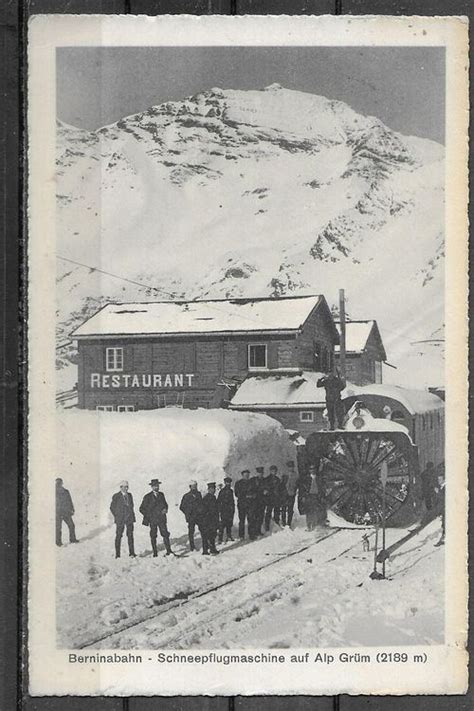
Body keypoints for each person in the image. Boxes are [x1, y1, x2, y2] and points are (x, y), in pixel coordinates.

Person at [139, 479, 172, 557]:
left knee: (165, 534)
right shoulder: (147, 497)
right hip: (153, 520)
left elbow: (165, 504)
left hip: (162, 519)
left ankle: (169, 551)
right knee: (153, 535)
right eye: (154, 486)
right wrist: (149, 516)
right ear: (151, 487)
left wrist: (165, 509)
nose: (156, 487)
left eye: (157, 485)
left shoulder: (161, 495)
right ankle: (155, 552)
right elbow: (141, 509)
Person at [110, 480, 136, 558]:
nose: (125, 488)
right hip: (120, 519)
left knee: (130, 535)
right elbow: (112, 507)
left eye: (127, 487)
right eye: (123, 487)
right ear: (120, 487)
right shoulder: (116, 496)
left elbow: (131, 506)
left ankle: (132, 553)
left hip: (129, 519)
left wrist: (130, 515)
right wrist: (117, 516)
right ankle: (117, 555)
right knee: (119, 536)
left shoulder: (130, 495)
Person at [298, 463, 327, 531]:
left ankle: (314, 525)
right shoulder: (306, 479)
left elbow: (322, 488)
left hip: (316, 496)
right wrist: (303, 497)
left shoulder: (318, 478)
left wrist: (322, 496)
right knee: (309, 512)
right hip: (309, 496)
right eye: (311, 469)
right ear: (309, 470)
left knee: (316, 511)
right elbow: (302, 488)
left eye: (313, 469)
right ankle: (309, 526)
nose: (312, 470)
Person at [179, 480, 204, 552]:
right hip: (191, 517)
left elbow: (201, 503)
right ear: (190, 487)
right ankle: (192, 546)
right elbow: (182, 507)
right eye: (193, 486)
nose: (195, 488)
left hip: (199, 516)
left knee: (202, 530)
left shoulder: (199, 494)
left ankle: (205, 544)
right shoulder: (186, 496)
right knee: (191, 532)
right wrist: (188, 513)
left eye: (196, 486)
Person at [55, 477, 78, 546]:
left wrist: (72, 508)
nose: (59, 484)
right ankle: (58, 542)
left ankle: (72, 539)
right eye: (57, 483)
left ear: (62, 483)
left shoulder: (66, 491)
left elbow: (69, 500)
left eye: (60, 482)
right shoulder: (53, 493)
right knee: (58, 528)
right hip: (57, 513)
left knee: (71, 525)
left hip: (66, 512)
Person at [201, 482, 220, 555]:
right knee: (207, 535)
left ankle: (212, 549)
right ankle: (205, 551)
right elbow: (204, 510)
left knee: (212, 535)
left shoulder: (213, 497)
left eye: (214, 488)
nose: (213, 490)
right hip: (208, 520)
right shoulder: (206, 498)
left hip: (213, 519)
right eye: (212, 489)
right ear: (208, 489)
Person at [217, 476, 235, 543]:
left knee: (229, 524)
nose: (228, 484)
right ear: (225, 483)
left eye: (229, 483)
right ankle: (220, 538)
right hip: (224, 510)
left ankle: (229, 536)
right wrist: (220, 510)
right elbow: (219, 501)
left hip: (230, 510)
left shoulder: (231, 491)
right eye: (227, 483)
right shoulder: (222, 491)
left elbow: (232, 501)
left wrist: (233, 509)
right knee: (222, 524)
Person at [247, 468, 263, 540]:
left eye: (261, 473)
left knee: (259, 518)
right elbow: (248, 491)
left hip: (261, 502)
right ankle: (251, 534)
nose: (260, 474)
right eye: (259, 473)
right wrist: (252, 494)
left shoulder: (264, 480)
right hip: (253, 503)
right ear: (257, 473)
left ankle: (258, 531)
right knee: (252, 518)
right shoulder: (252, 480)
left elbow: (267, 488)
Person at [234, 469, 250, 539]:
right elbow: (237, 493)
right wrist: (245, 495)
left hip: (250, 504)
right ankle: (241, 535)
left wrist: (253, 495)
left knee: (250, 519)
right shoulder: (238, 483)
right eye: (245, 475)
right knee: (242, 520)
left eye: (247, 475)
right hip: (242, 504)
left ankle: (251, 534)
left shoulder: (251, 482)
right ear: (242, 475)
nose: (246, 476)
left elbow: (255, 491)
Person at [285, 460, 299, 527]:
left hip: (292, 493)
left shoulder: (296, 475)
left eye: (292, 467)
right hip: (285, 494)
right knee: (284, 508)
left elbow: (297, 484)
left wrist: (295, 491)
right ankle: (283, 522)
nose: (291, 468)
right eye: (290, 467)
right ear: (288, 468)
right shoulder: (285, 475)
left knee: (290, 509)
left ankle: (289, 523)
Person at [434, 471, 445, 547]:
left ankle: (442, 540)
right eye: (438, 480)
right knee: (444, 525)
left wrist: (438, 492)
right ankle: (443, 539)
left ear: (444, 480)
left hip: (446, 509)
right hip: (443, 509)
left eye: (440, 479)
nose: (438, 481)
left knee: (445, 525)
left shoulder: (445, 487)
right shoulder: (442, 487)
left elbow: (444, 498)